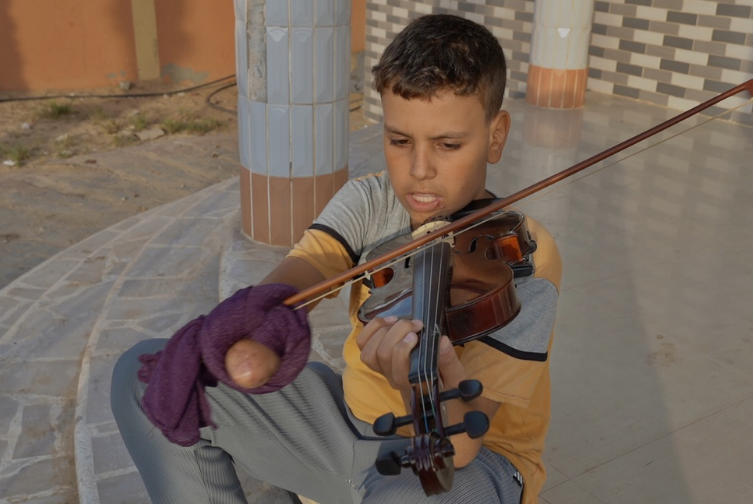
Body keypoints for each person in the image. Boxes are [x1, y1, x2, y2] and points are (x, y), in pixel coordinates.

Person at [111, 13, 561, 504]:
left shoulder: (524, 260)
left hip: (470, 464)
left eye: (449, 145)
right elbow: (303, 272)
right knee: (150, 376)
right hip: (349, 429)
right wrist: (260, 319)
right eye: (399, 141)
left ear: (496, 136)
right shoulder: (369, 202)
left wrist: (416, 387)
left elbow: (463, 444)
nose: (419, 170)